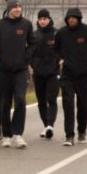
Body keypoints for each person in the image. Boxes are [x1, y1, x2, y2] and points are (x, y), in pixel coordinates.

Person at [0, 0, 35, 149]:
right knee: (4, 103)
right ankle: (6, 135)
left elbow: (33, 43)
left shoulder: (26, 24)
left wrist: (26, 57)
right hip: (3, 71)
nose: (18, 9)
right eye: (15, 7)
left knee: (20, 99)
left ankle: (18, 134)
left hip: (20, 71)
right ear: (9, 9)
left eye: (19, 7)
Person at [54, 8, 87, 146]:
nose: (71, 19)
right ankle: (69, 135)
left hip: (83, 74)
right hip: (67, 75)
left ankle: (82, 131)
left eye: (74, 17)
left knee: (83, 103)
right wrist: (60, 59)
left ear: (79, 18)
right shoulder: (61, 33)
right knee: (68, 104)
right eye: (69, 17)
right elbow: (55, 49)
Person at [31, 9, 60, 140]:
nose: (42, 21)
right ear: (38, 20)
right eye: (40, 19)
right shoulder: (34, 35)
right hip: (38, 73)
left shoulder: (56, 34)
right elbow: (29, 53)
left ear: (49, 20)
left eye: (45, 19)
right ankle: (45, 126)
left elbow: (62, 51)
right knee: (41, 101)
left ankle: (50, 125)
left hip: (53, 73)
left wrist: (58, 62)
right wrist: (33, 65)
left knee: (51, 99)